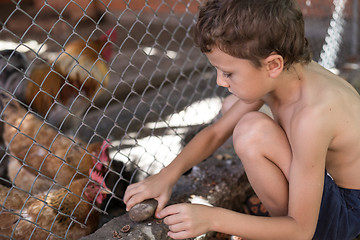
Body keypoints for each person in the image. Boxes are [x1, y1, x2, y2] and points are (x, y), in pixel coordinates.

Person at [124, 0, 360, 239]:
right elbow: (216, 133)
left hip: (348, 210)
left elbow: (302, 230)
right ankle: (280, 225)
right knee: (233, 108)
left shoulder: (311, 116)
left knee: (251, 131)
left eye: (228, 73)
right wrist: (166, 176)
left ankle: (280, 228)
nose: (219, 81)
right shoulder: (284, 72)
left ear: (273, 65)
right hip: (329, 182)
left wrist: (212, 217)